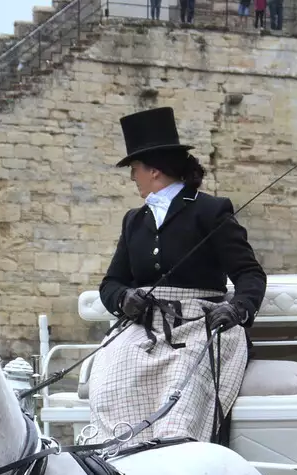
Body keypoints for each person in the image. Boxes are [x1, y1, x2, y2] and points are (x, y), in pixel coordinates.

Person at [94, 107, 267, 447]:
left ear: (154, 170)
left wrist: (237, 309)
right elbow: (111, 282)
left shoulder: (210, 210)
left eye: (135, 171)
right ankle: (116, 453)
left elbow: (249, 274)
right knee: (111, 381)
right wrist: (124, 299)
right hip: (144, 327)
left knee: (181, 394)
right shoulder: (134, 220)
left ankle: (175, 452)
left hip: (199, 324)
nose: (134, 179)